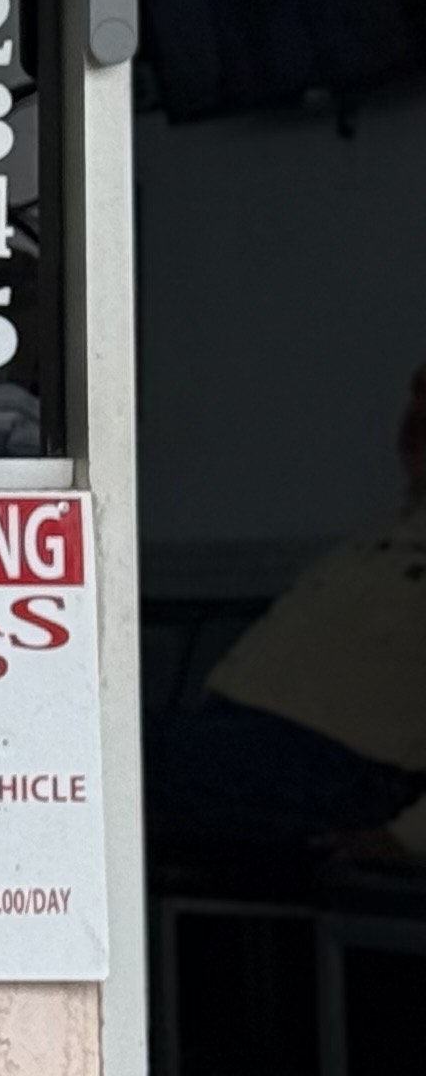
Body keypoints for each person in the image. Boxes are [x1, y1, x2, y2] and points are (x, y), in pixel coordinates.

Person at [156, 362, 426, 876]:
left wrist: (404, 838)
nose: (418, 415)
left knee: (101, 761)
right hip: (240, 747)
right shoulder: (379, 543)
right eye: (416, 396)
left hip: (338, 774)